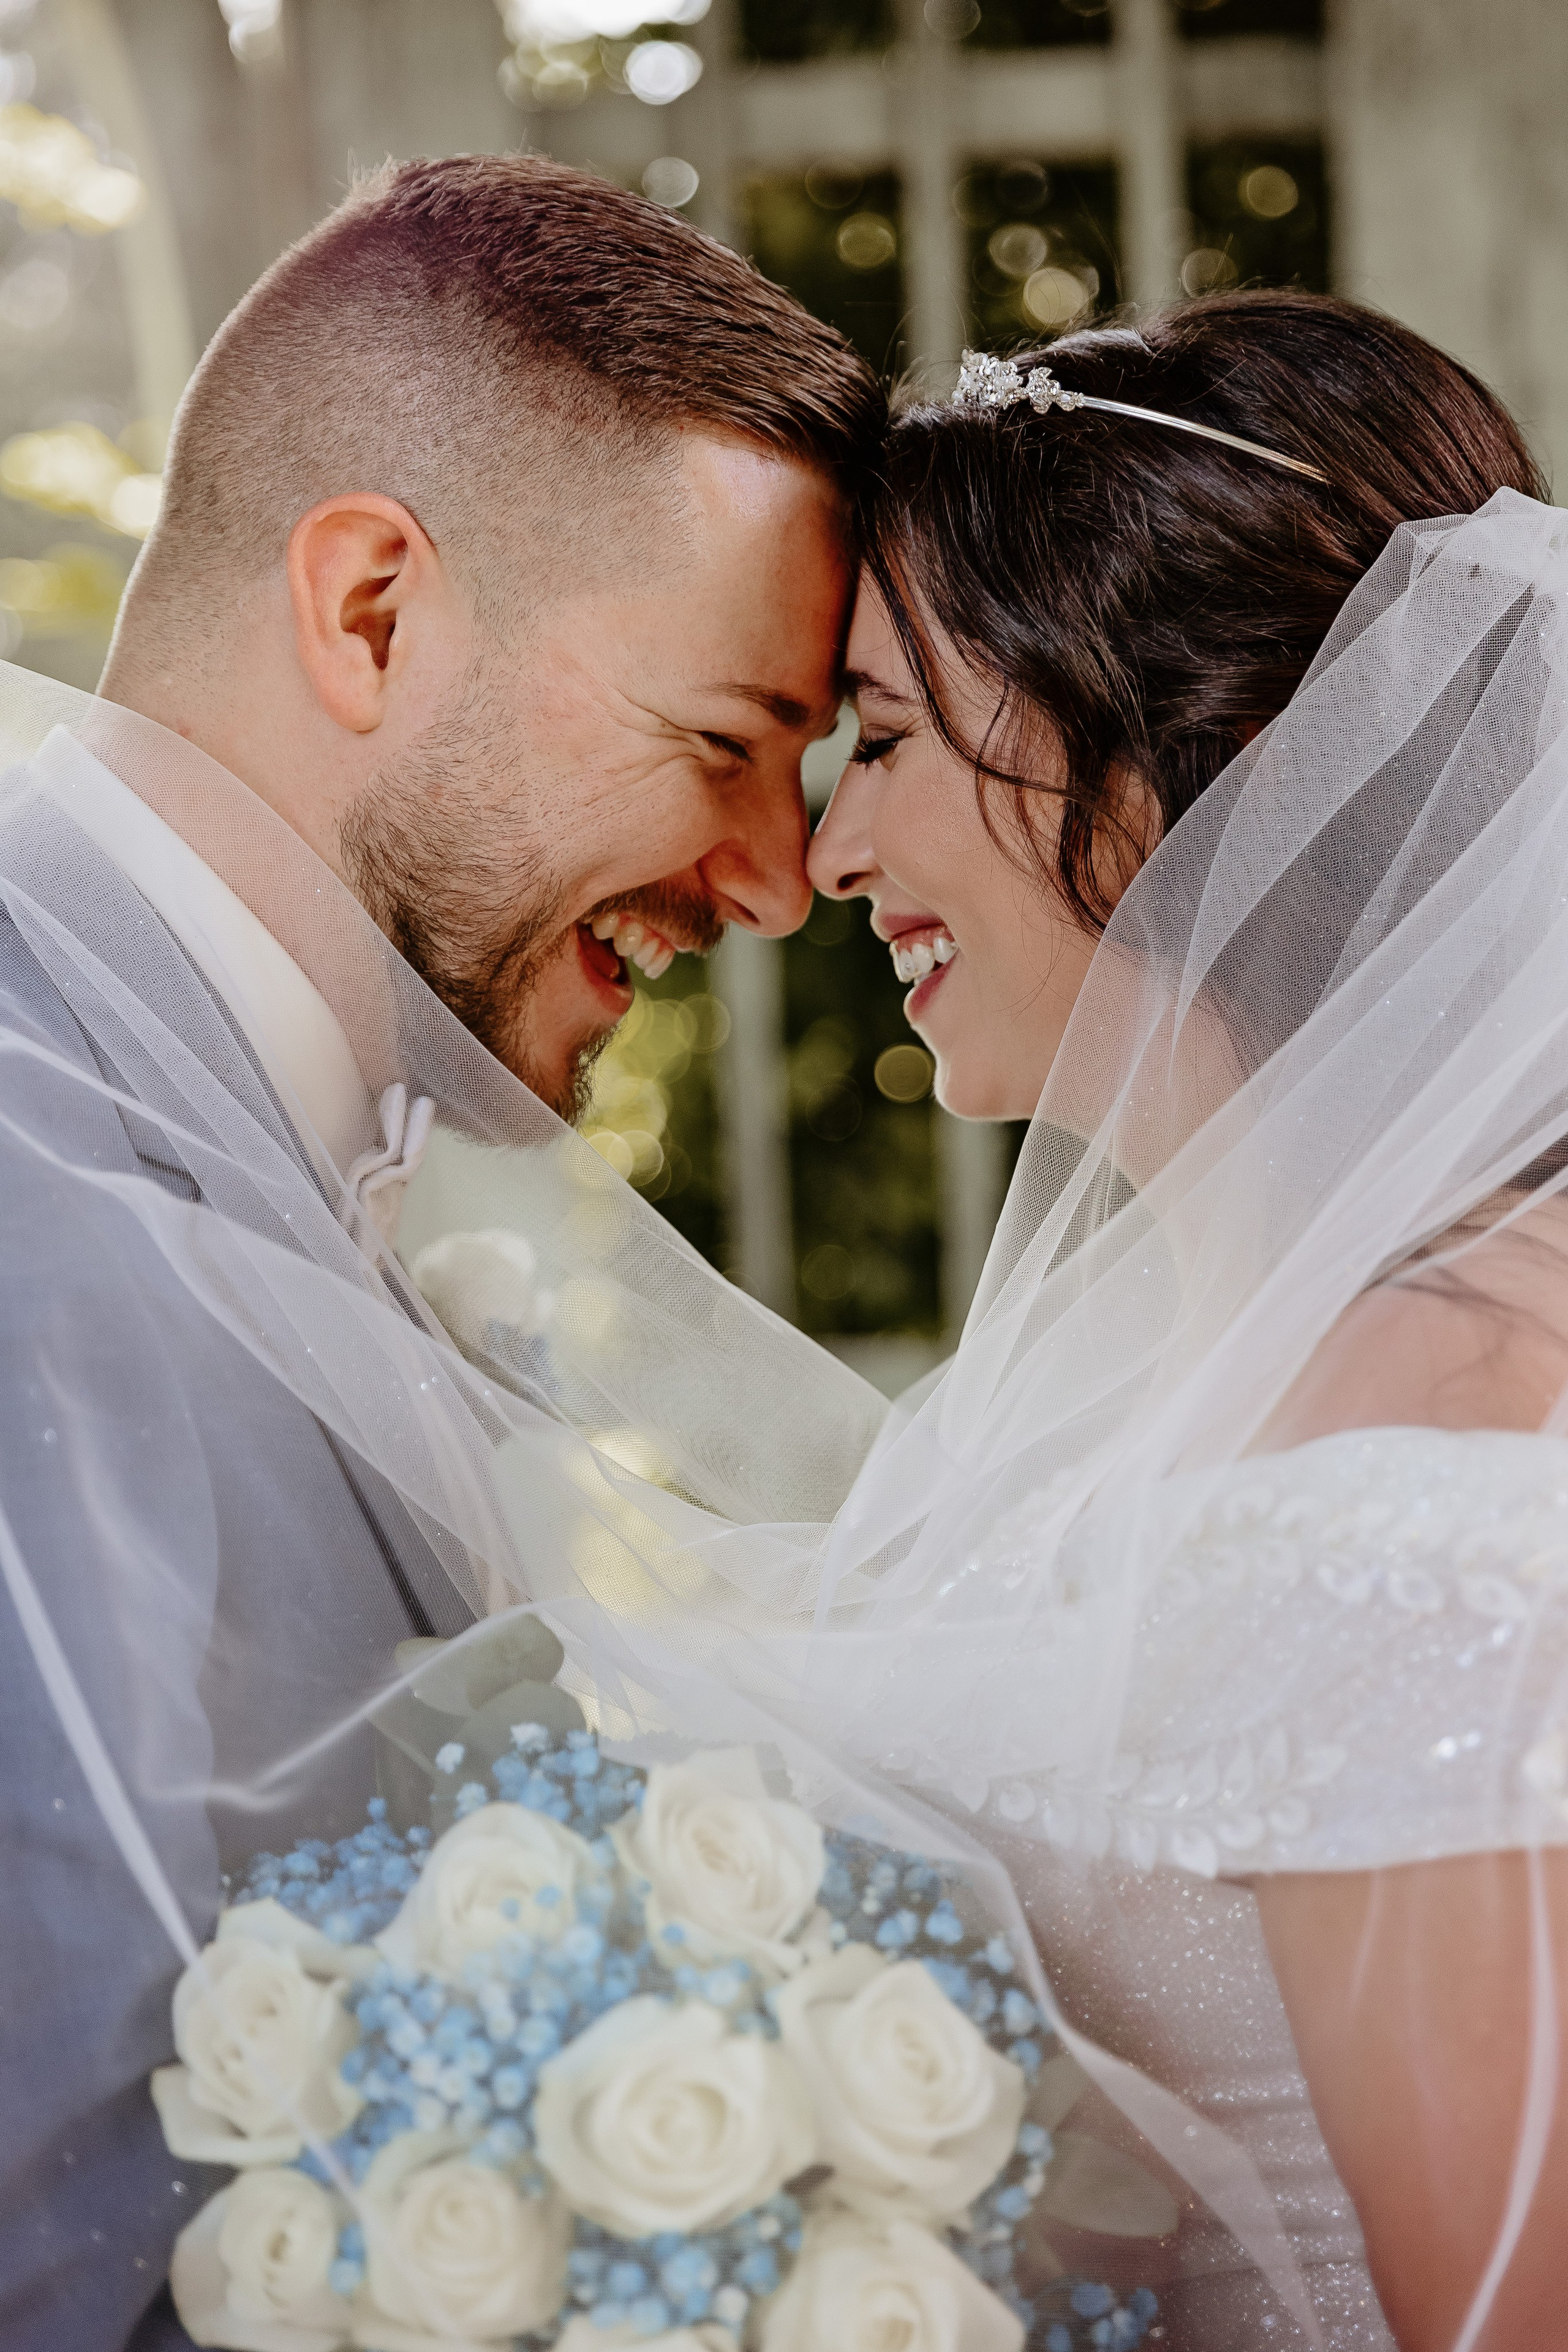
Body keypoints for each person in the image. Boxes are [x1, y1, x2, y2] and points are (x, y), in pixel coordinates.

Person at [0, 149, 884, 2351]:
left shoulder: (204, 1114)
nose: (779, 882)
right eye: (725, 743)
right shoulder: (32, 1187)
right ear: (374, 609)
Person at [797, 290, 1568, 2348]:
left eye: (876, 738)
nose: (834, 853)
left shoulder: (1426, 1408)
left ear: (1146, 740)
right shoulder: (1121, 1374)